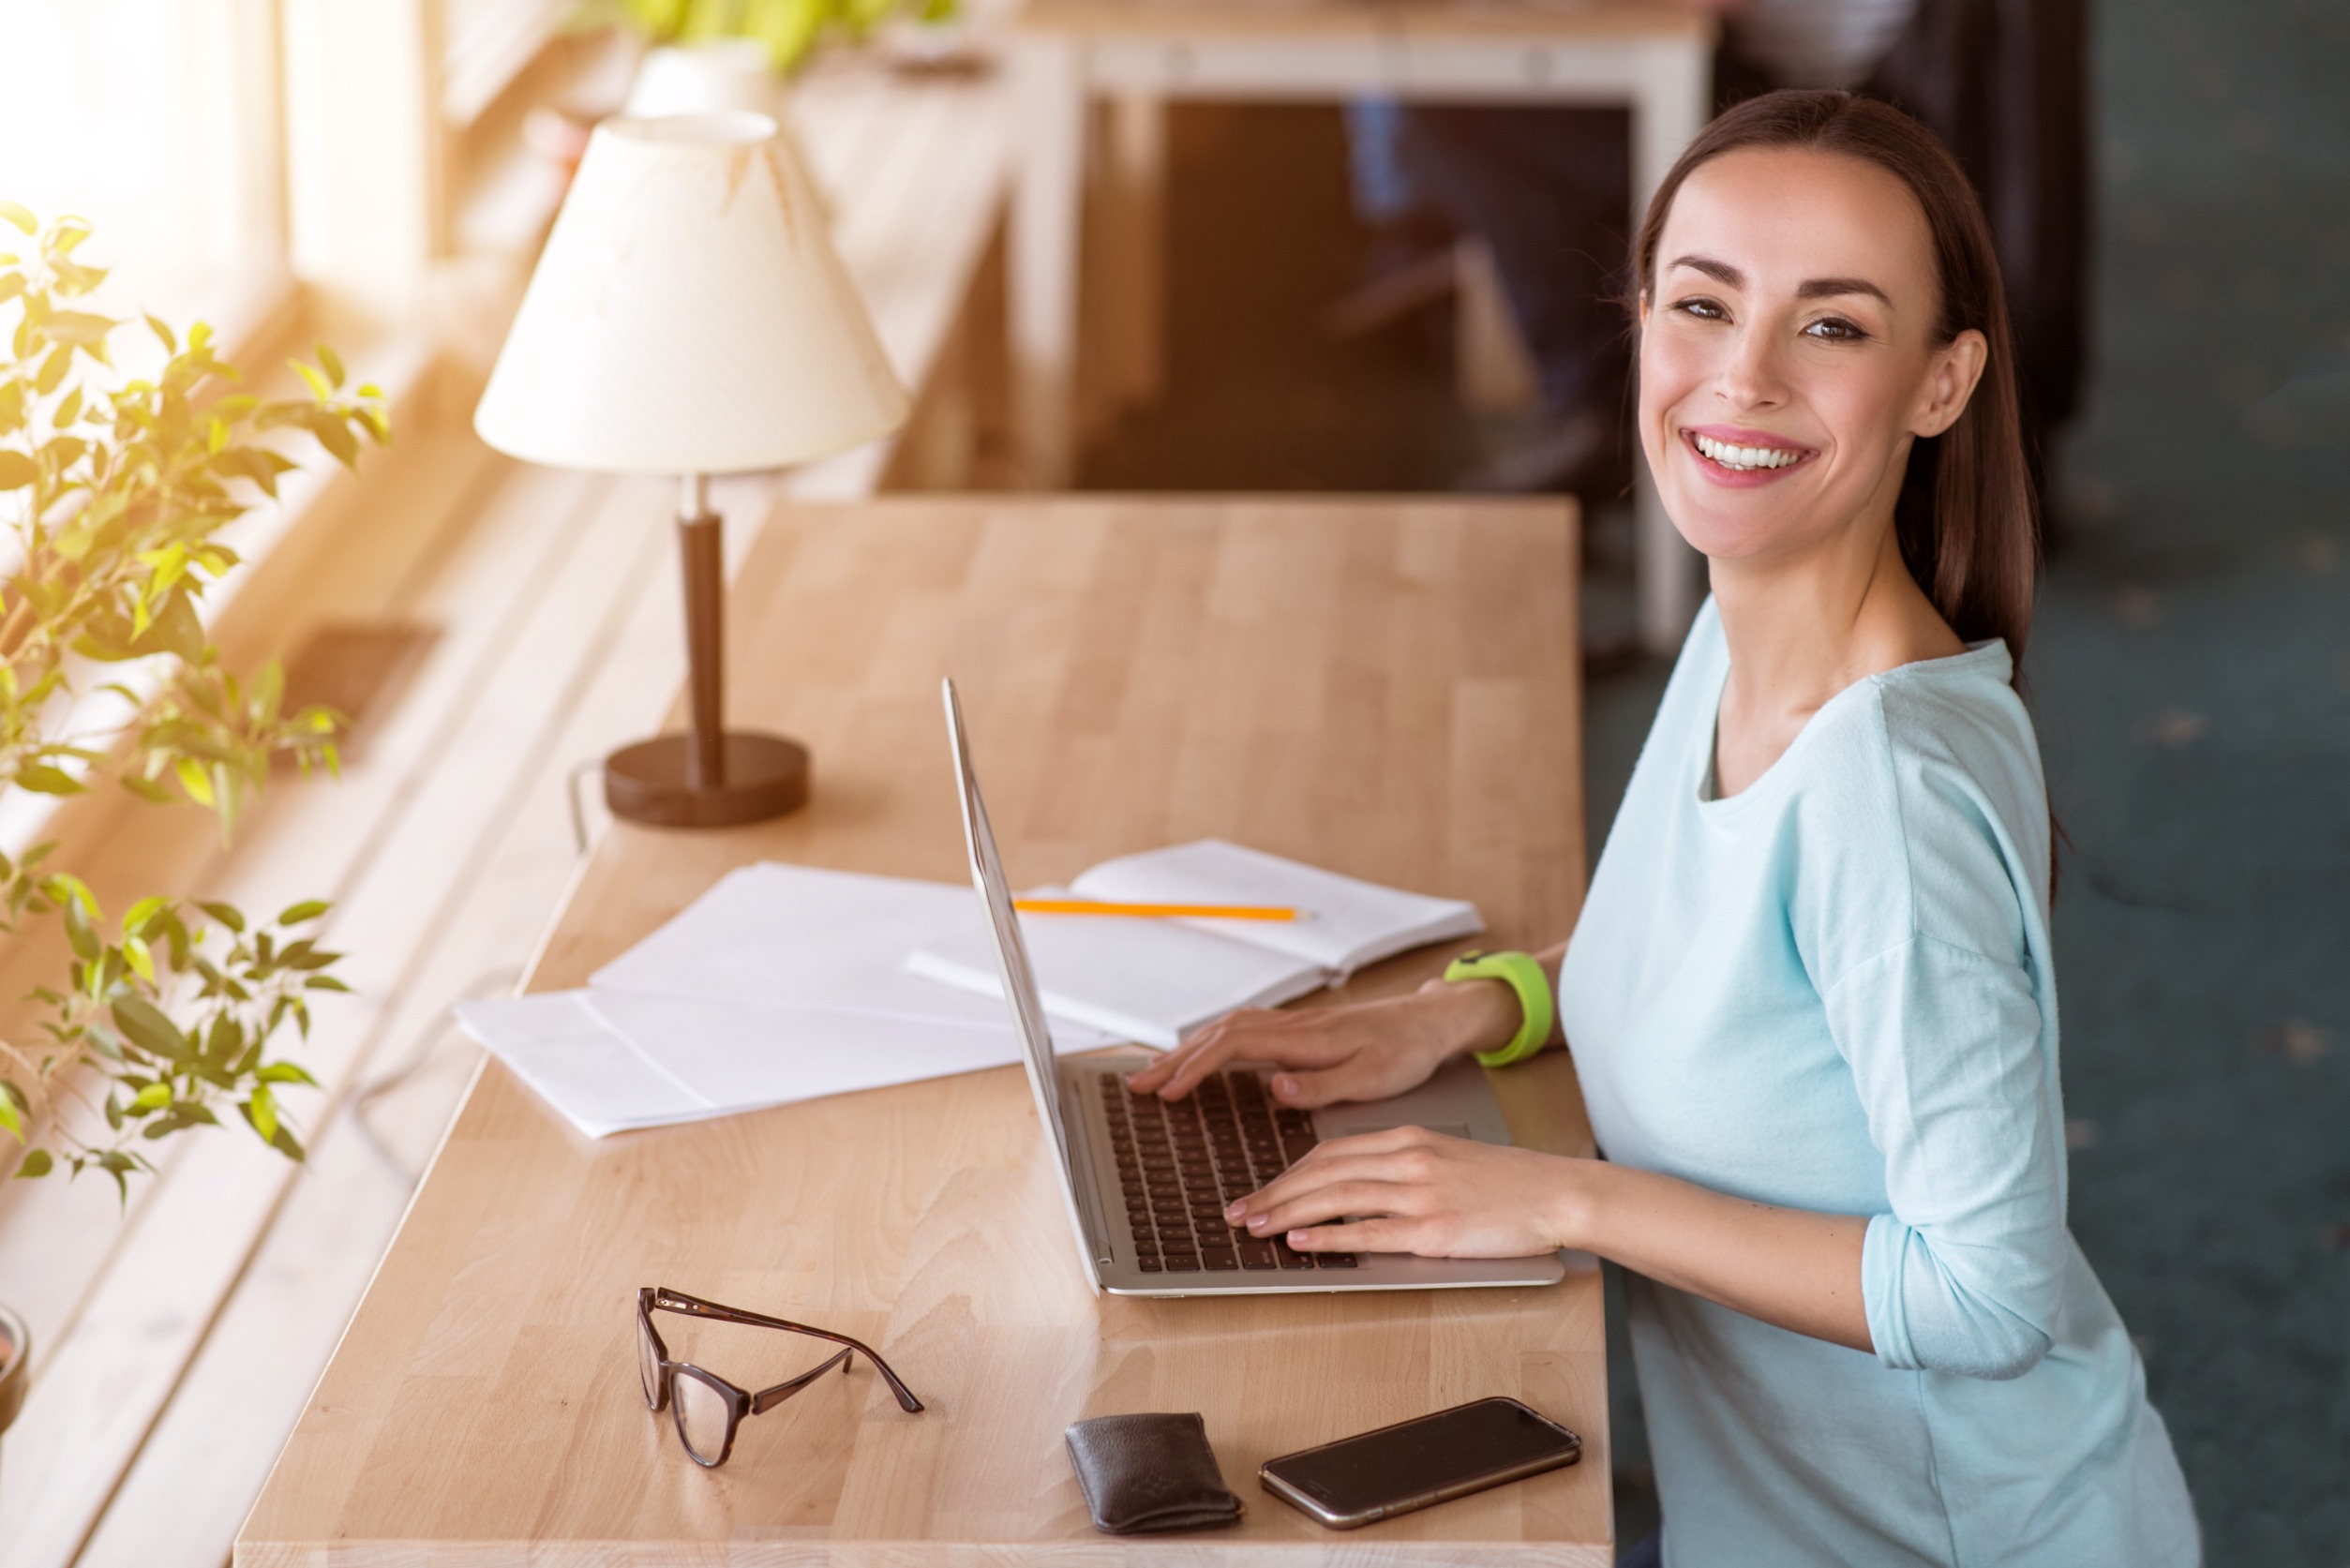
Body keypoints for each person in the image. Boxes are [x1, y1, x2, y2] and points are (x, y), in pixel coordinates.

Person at [1133, 90, 2198, 1567]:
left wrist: (1564, 1197)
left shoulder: (1883, 792)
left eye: (1832, 326)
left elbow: (1990, 1294)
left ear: (1942, 384)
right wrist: (1468, 1014)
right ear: (1640, 320)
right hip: (1786, 1514)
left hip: (1954, 1535)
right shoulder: (1751, 614)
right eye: (1704, 305)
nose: (1741, 378)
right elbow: (1719, 946)